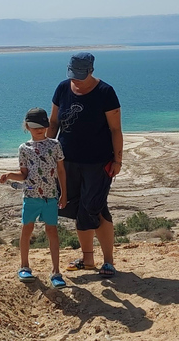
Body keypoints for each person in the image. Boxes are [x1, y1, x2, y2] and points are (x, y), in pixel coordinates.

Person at [47, 52, 123, 278]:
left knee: (95, 208)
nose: (76, 79)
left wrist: (118, 160)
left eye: (80, 74)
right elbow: (53, 122)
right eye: (73, 74)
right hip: (66, 161)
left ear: (91, 70)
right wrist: (47, 153)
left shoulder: (105, 93)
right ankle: (88, 259)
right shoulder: (62, 89)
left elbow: (115, 129)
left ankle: (108, 262)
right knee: (79, 209)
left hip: (98, 163)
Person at [0, 107, 68, 289]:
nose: (40, 129)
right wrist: (9, 175)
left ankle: (56, 272)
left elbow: (61, 171)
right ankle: (24, 266)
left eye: (42, 125)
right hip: (30, 196)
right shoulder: (24, 148)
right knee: (26, 229)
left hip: (50, 196)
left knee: (52, 231)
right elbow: (24, 175)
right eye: (35, 126)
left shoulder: (55, 145)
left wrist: (64, 194)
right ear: (27, 126)